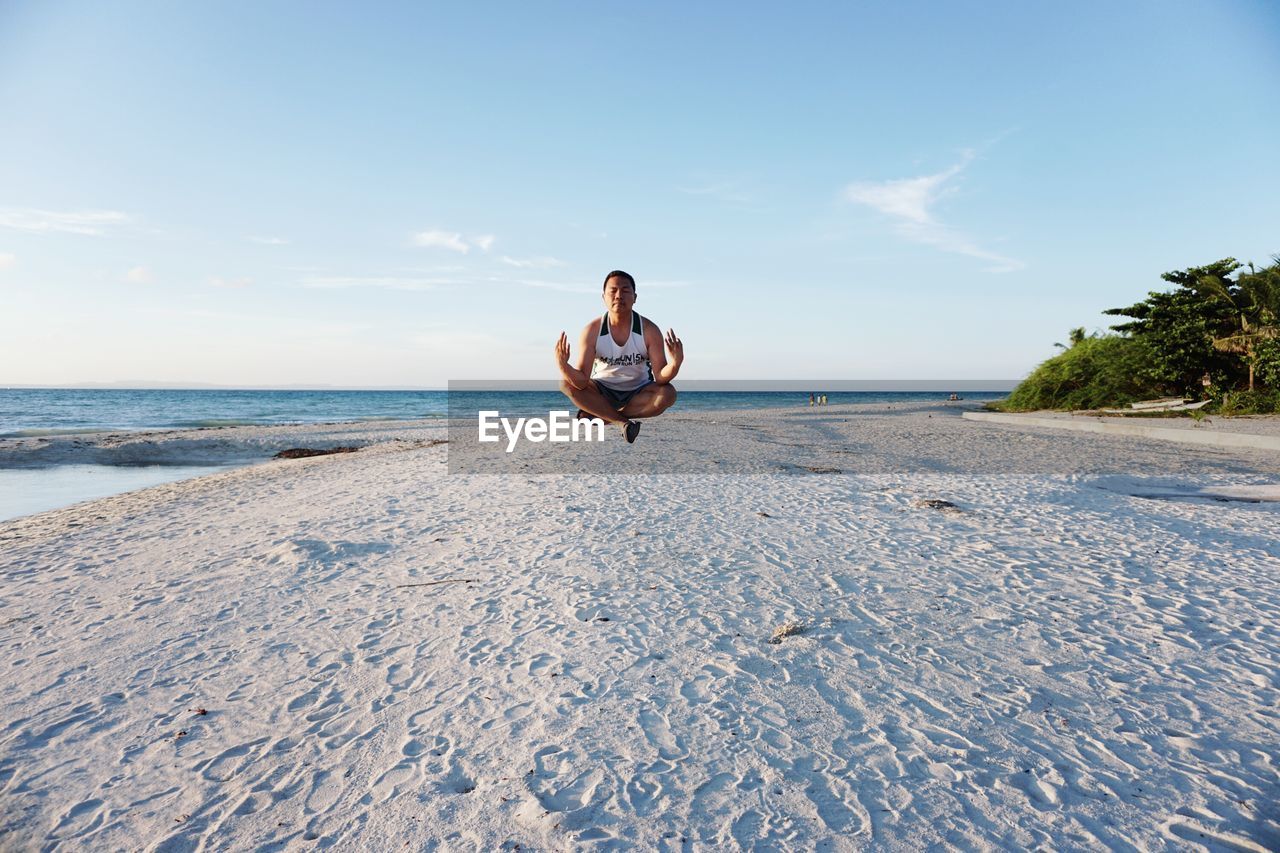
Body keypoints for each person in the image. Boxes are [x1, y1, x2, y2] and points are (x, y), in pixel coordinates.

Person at [555, 270, 683, 443]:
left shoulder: (649, 330)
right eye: (613, 291)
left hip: (638, 392)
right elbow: (582, 381)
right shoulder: (592, 331)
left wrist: (675, 363)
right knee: (565, 383)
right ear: (604, 297)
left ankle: (605, 416)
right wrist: (563, 365)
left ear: (635, 297)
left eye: (625, 290)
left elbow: (661, 377)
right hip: (602, 390)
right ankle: (621, 422)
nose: (618, 296)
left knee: (668, 394)